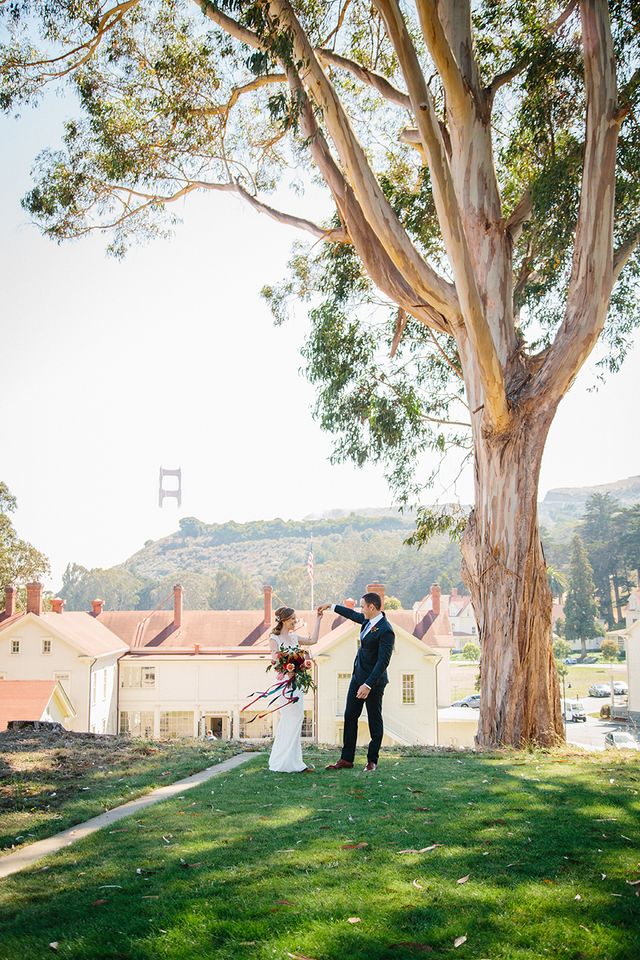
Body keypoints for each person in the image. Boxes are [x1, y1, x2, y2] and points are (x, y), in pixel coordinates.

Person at [318, 593, 394, 772]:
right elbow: (352, 615)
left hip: (373, 683)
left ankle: (372, 761)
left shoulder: (386, 630)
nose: (361, 609)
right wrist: (331, 606)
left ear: (372, 607)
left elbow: (383, 662)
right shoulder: (367, 621)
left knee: (374, 720)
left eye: (363, 606)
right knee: (350, 716)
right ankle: (346, 759)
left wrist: (368, 685)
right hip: (357, 678)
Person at [267, 605, 322, 773]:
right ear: (284, 620)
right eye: (292, 618)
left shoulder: (294, 637)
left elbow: (313, 640)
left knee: (297, 719)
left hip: (296, 683)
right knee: (289, 719)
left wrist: (318, 619)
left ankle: (295, 762)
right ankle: (282, 762)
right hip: (285, 684)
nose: (295, 621)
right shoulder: (274, 638)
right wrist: (288, 669)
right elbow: (276, 661)